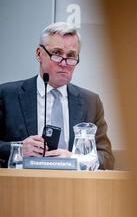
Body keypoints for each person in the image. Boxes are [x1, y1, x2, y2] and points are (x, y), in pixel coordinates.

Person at [0, 22, 114, 170]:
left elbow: (107, 158)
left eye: (71, 56)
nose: (64, 63)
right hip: (21, 187)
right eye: (57, 53)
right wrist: (18, 149)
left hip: (73, 189)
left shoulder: (91, 102)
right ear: (39, 54)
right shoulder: (7, 95)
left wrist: (74, 159)